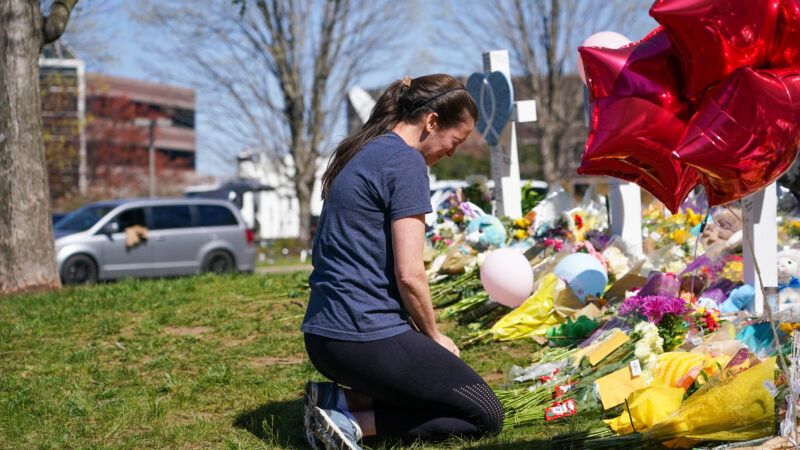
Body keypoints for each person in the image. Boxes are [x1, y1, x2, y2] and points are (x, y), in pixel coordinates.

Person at [301, 74, 504, 450]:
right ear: (431, 122)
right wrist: (433, 336)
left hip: (324, 335)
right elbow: (410, 275)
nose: (452, 152)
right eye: (455, 141)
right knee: (484, 413)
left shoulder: (367, 150)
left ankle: (340, 401)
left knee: (437, 391)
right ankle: (351, 423)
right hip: (360, 334)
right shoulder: (406, 163)